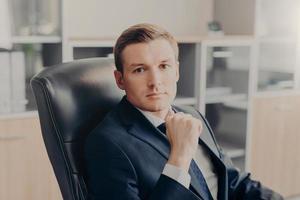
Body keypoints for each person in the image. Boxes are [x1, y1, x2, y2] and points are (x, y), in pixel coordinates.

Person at [84, 23, 283, 200]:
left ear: (177, 71)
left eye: (164, 66)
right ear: (120, 80)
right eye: (139, 70)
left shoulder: (193, 116)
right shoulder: (106, 144)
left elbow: (231, 182)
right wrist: (180, 156)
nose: (155, 82)